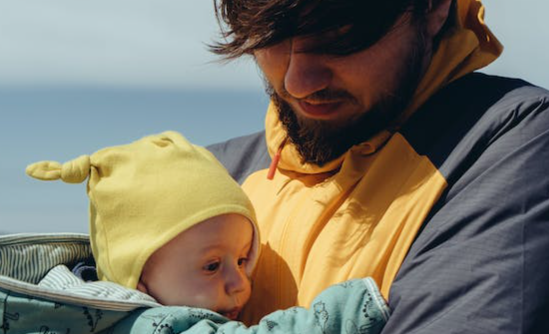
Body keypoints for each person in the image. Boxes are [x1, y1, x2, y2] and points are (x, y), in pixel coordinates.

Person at [205, 0, 549, 332]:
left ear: (433, 6)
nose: (298, 83)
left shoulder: (511, 144)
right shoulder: (210, 174)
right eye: (270, 38)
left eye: (339, 37)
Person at [16, 130, 390, 333]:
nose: (240, 283)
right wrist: (350, 309)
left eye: (243, 259)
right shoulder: (141, 323)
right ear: (139, 278)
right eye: (212, 266)